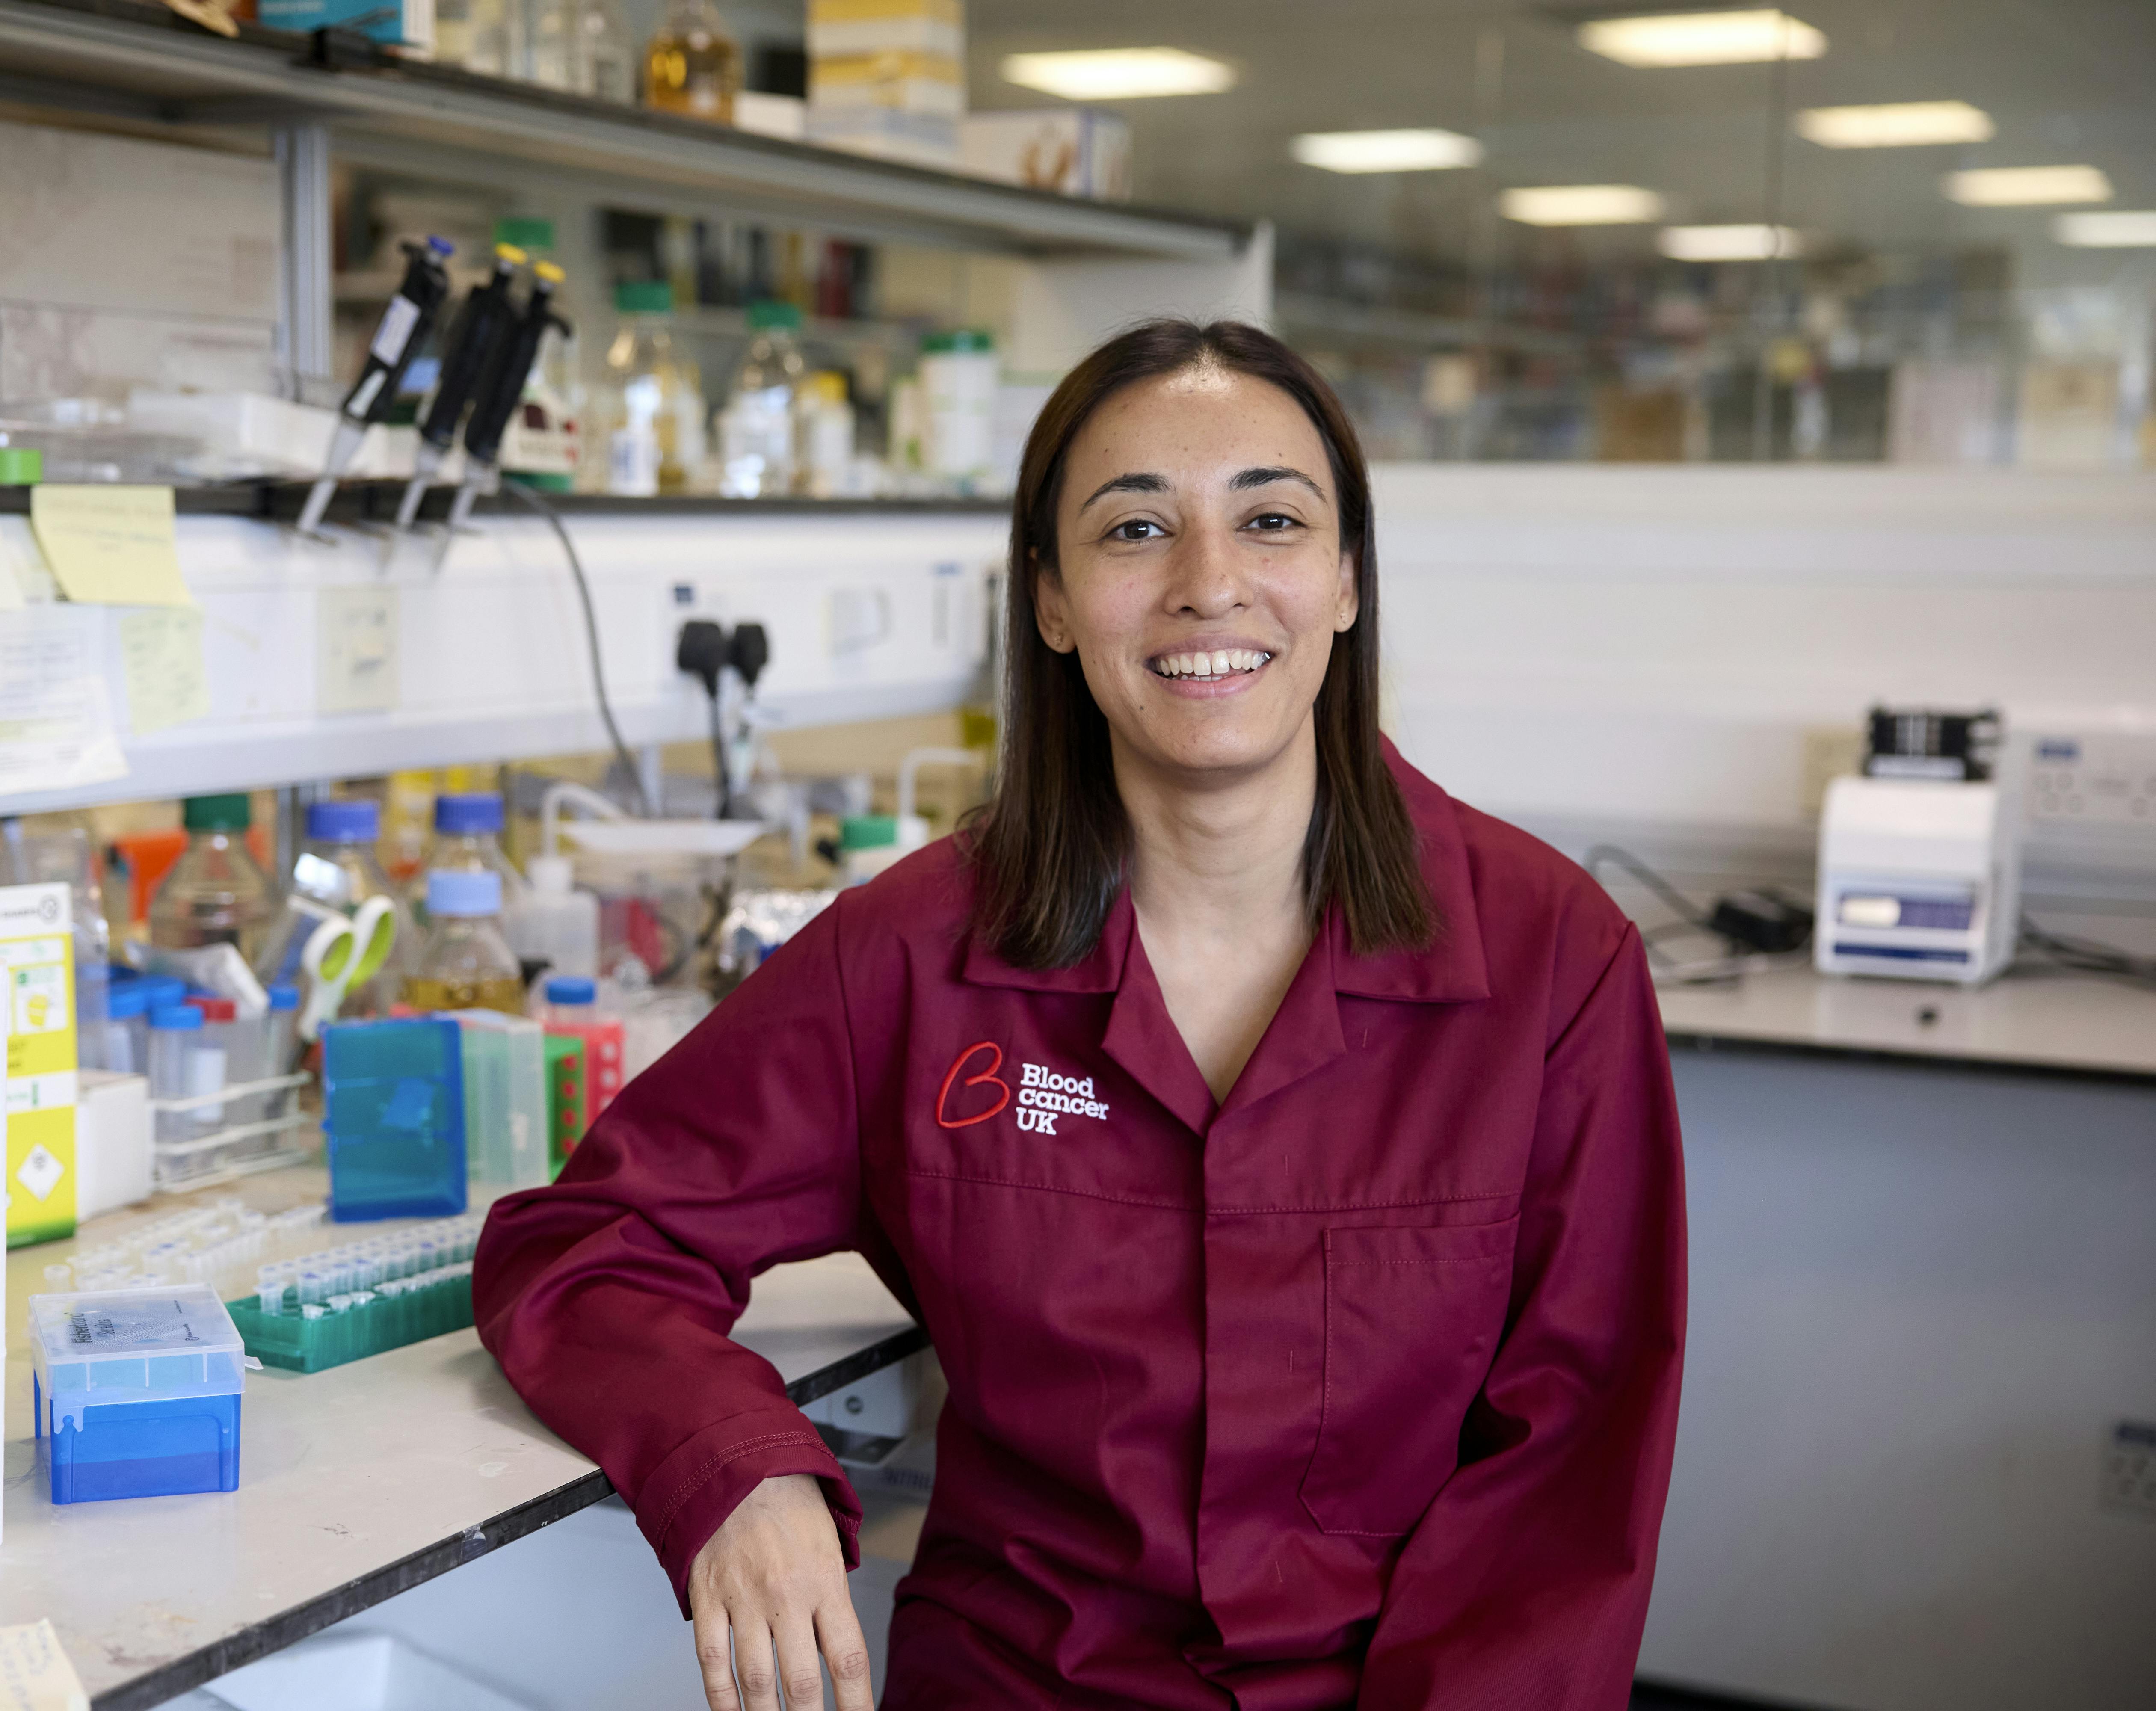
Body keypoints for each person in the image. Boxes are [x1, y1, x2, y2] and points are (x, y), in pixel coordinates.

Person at [476, 318, 1687, 1709]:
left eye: (1272, 521)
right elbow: (586, 1244)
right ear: (1050, 600)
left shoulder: (1551, 963)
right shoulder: (917, 955)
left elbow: (1569, 1475)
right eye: (1134, 532)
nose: (1209, 586)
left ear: (1347, 580)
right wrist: (735, 1469)